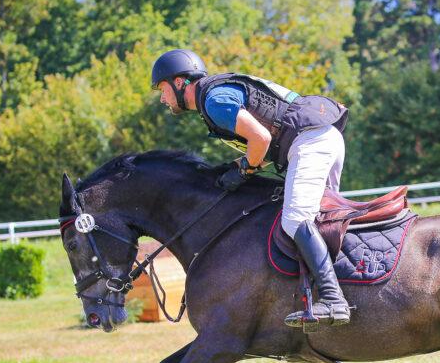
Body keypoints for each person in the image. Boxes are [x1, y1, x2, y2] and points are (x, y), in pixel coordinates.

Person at [151, 48, 352, 328]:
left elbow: (261, 138)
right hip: (318, 136)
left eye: (162, 89)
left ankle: (333, 299)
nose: (162, 98)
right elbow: (260, 142)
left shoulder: (214, 101)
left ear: (180, 82)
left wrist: (245, 169)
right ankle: (350, 286)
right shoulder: (217, 94)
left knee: (296, 219)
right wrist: (235, 167)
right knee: (323, 221)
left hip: (310, 141)